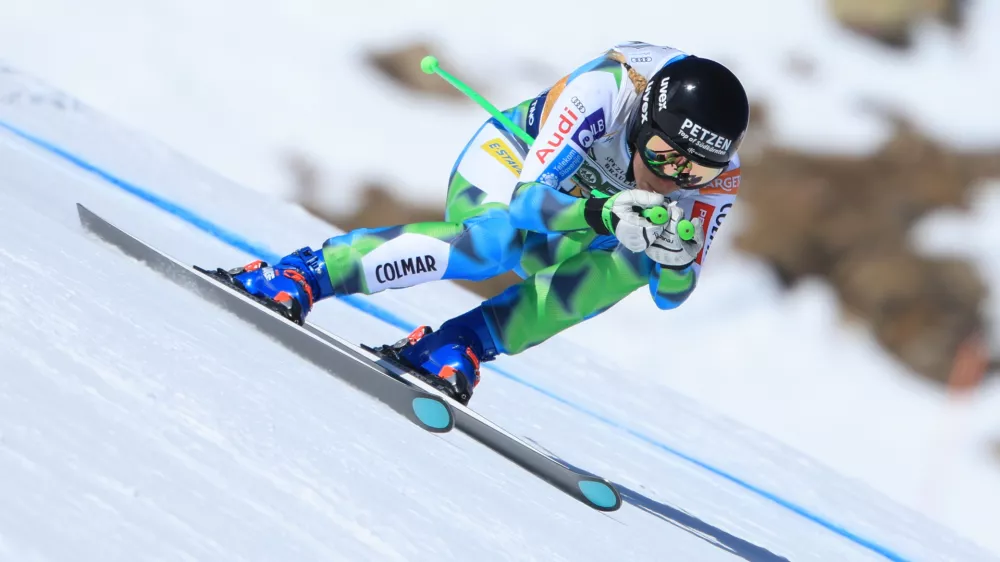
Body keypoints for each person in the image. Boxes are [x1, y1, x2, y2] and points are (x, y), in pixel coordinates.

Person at [214, 41, 750, 404]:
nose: (673, 177)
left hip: (579, 218)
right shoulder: (608, 90)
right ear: (642, 121)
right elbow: (526, 206)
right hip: (513, 165)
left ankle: (460, 343)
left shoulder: (722, 177)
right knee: (495, 242)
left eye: (697, 170)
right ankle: (307, 272)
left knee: (637, 262)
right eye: (662, 153)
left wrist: (674, 261)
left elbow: (671, 296)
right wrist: (603, 211)